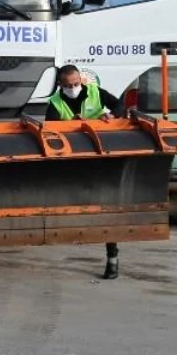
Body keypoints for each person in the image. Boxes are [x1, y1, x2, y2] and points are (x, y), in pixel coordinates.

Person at [44, 64, 128, 280]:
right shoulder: (55, 103)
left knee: (107, 206)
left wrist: (111, 116)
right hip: (75, 159)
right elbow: (50, 129)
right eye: (69, 85)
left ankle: (112, 259)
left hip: (103, 154)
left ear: (81, 79)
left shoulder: (95, 92)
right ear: (61, 85)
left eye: (76, 83)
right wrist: (69, 125)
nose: (74, 87)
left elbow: (119, 106)